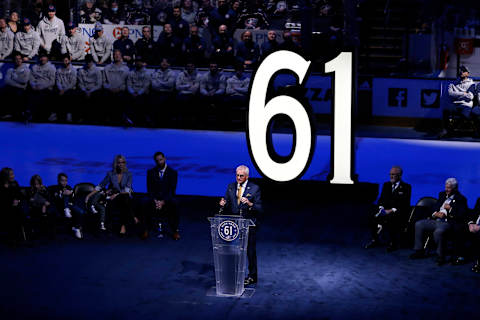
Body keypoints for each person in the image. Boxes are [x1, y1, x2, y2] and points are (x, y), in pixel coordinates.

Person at [219, 165, 262, 285]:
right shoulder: (231, 187)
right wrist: (223, 203)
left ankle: (252, 276)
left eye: (241, 176)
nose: (238, 178)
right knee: (233, 250)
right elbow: (227, 203)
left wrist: (249, 203)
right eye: (237, 175)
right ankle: (234, 273)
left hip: (249, 224)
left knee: (250, 251)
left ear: (247, 176)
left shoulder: (255, 188)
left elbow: (259, 208)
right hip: (234, 225)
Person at [410, 178, 468, 265]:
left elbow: (461, 214)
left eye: (449, 188)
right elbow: (435, 207)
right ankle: (419, 251)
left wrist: (450, 209)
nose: (446, 190)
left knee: (439, 232)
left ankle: (440, 256)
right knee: (419, 224)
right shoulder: (442, 194)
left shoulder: (461, 199)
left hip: (447, 222)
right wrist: (435, 213)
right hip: (436, 219)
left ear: (455, 188)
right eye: (446, 187)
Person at [86, 155, 136, 236]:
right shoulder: (110, 174)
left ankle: (123, 226)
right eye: (119, 162)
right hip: (114, 198)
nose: (121, 164)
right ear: (115, 164)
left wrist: (116, 194)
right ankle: (132, 218)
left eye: (123, 162)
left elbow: (127, 190)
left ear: (125, 163)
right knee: (114, 203)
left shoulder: (128, 174)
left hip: (124, 196)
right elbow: (101, 185)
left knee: (125, 198)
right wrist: (89, 195)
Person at [364, 166, 412, 251]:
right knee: (372, 216)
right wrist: (381, 208)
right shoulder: (386, 185)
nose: (391, 176)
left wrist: (391, 210)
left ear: (400, 175)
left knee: (391, 218)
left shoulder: (407, 187)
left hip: (398, 212)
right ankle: (375, 240)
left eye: (393, 174)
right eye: (390, 174)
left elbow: (404, 204)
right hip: (385, 210)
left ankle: (393, 243)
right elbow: (382, 199)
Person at [145, 152, 180, 240]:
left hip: (167, 198)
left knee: (174, 203)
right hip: (155, 199)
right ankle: (145, 229)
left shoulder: (173, 173)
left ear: (164, 159)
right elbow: (150, 189)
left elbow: (172, 190)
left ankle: (175, 230)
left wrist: (163, 201)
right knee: (144, 202)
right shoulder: (150, 172)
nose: (159, 162)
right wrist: (156, 201)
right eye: (157, 161)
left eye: (161, 160)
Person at [103, 49, 129, 124]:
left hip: (120, 90)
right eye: (115, 54)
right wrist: (109, 88)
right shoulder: (107, 68)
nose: (117, 56)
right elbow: (104, 82)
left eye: (118, 54)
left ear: (121, 56)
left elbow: (126, 83)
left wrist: (119, 89)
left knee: (123, 97)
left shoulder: (126, 69)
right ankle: (107, 118)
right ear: (113, 56)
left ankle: (122, 118)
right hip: (109, 90)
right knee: (104, 95)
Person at [1, 53, 30, 120]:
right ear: (14, 60)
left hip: (21, 90)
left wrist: (14, 77)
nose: (18, 60)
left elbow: (24, 81)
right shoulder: (10, 70)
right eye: (16, 59)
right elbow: (7, 81)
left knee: (19, 93)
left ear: (22, 60)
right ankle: (6, 113)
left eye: (19, 59)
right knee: (3, 90)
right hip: (16, 88)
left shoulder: (26, 70)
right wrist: (20, 85)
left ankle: (20, 114)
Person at [0, 167, 25, 246]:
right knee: (12, 213)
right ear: (5, 176)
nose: (13, 176)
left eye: (13, 174)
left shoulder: (15, 183)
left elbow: (20, 196)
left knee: (17, 212)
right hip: (4, 208)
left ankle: (18, 237)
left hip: (15, 207)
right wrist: (11, 203)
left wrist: (18, 201)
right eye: (11, 175)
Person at [27, 174, 56, 239]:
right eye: (34, 184)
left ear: (40, 183)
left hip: (45, 207)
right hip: (34, 207)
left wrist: (44, 205)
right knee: (36, 199)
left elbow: (49, 201)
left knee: (52, 211)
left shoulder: (44, 189)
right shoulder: (30, 190)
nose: (36, 186)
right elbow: (31, 200)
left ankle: (50, 232)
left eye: (38, 184)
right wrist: (42, 203)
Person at [29, 52, 56, 121]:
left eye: (44, 57)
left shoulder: (51, 67)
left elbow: (52, 81)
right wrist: (33, 85)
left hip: (46, 88)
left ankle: (45, 115)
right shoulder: (34, 67)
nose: (42, 59)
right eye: (41, 57)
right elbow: (31, 79)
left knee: (43, 95)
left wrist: (41, 87)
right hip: (35, 87)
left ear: (47, 58)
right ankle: (31, 114)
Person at [77, 54, 103, 123]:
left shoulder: (97, 70)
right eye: (87, 61)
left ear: (92, 61)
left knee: (97, 96)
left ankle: (95, 118)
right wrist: (85, 90)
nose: (88, 63)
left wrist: (91, 91)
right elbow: (80, 83)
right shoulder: (81, 71)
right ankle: (81, 117)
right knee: (79, 95)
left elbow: (99, 84)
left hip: (94, 89)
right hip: (84, 89)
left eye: (90, 61)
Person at [126, 55, 151, 125]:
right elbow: (129, 84)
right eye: (137, 62)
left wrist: (138, 93)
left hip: (142, 93)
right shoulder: (131, 72)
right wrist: (132, 92)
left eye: (140, 62)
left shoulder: (147, 73)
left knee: (141, 100)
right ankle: (129, 119)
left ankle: (141, 120)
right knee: (127, 98)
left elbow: (146, 85)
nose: (138, 63)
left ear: (143, 63)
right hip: (133, 92)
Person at [151, 58, 176, 126]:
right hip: (157, 93)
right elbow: (154, 86)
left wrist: (159, 82)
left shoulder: (172, 73)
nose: (164, 63)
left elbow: (170, 85)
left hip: (168, 93)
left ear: (169, 64)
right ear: (160, 63)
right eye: (162, 62)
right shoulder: (155, 72)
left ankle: (166, 123)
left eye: (166, 62)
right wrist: (164, 83)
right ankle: (156, 122)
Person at [175, 60, 200, 126]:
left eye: (191, 66)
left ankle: (191, 121)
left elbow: (195, 89)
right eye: (188, 66)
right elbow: (177, 87)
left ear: (194, 67)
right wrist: (188, 86)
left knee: (194, 100)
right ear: (186, 67)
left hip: (192, 95)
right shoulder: (180, 74)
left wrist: (183, 87)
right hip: (182, 94)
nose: (190, 68)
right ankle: (181, 121)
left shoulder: (198, 76)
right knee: (179, 99)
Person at [55, 54, 78, 123]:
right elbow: (58, 81)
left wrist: (64, 90)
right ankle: (56, 114)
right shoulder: (59, 70)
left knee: (70, 95)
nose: (65, 62)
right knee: (54, 94)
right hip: (61, 88)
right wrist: (61, 88)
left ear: (69, 60)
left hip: (70, 89)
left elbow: (73, 83)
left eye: (66, 60)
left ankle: (69, 114)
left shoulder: (73, 70)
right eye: (64, 61)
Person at [468, 198, 480, 273]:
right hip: (476, 224)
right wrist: (471, 223)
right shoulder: (479, 200)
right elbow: (474, 212)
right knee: (459, 228)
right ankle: (461, 256)